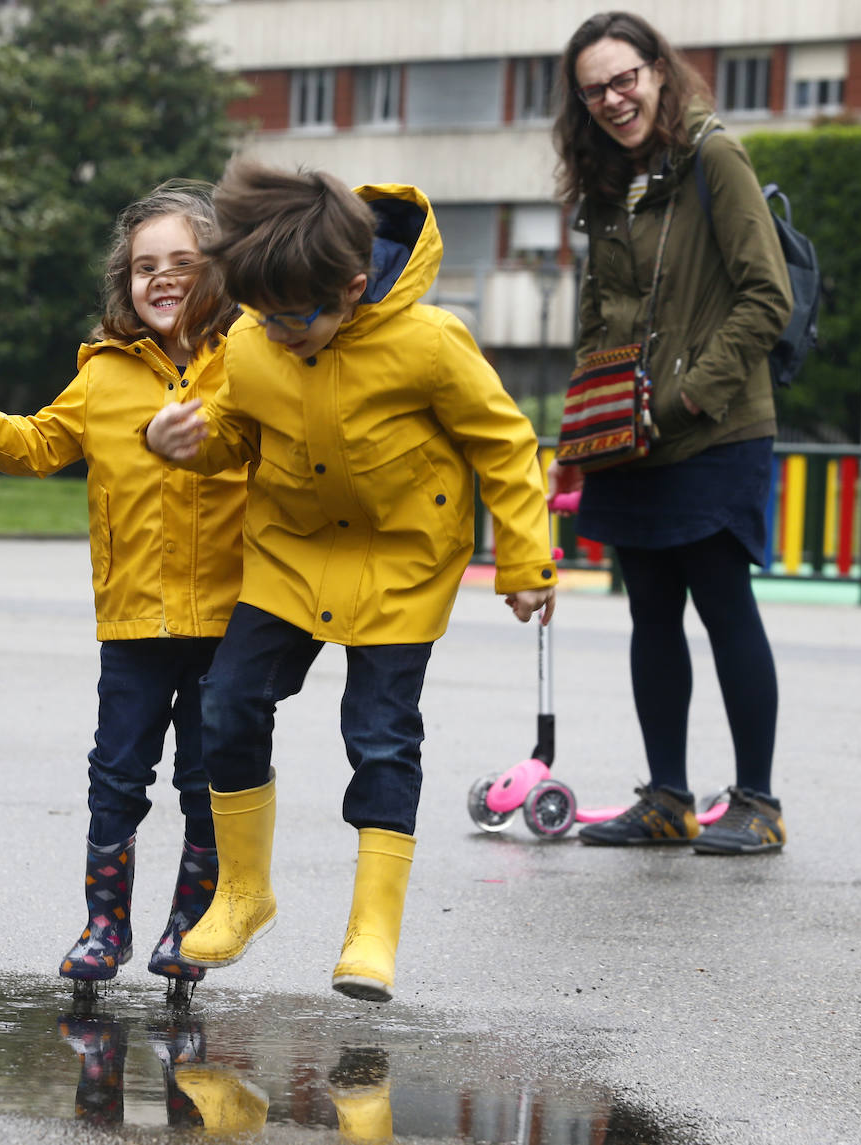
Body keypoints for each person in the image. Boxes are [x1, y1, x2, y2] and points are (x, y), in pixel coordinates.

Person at [146, 160, 557, 1003]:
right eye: (261, 315)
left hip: (401, 563)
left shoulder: (431, 343)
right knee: (225, 703)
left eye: (297, 319)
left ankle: (372, 928)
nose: (278, 334)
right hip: (290, 555)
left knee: (378, 735)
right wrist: (183, 438)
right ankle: (243, 891)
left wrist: (524, 559)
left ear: (355, 286)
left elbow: (506, 445)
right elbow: (233, 426)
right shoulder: (259, 339)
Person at [0, 180, 246, 993]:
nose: (165, 277)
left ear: (221, 269)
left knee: (207, 777)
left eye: (184, 261)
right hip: (134, 617)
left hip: (233, 617)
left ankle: (192, 926)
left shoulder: (251, 363)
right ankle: (105, 924)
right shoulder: (106, 372)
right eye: (147, 265)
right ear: (125, 281)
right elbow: (42, 441)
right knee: (117, 770)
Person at [549, 11, 793, 854]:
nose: (614, 99)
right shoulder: (605, 181)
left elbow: (768, 299)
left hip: (714, 426)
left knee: (725, 605)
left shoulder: (712, 157)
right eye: (595, 90)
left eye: (624, 79)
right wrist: (582, 428)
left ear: (658, 71)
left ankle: (757, 801)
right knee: (650, 611)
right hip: (627, 433)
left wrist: (685, 400)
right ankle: (666, 798)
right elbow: (599, 315)